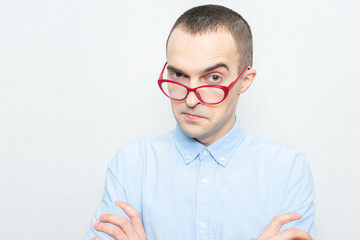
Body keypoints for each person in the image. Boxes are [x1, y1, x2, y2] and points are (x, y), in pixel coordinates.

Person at [85, 4, 315, 240]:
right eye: (179, 74)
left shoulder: (288, 169)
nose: (191, 98)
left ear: (244, 81)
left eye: (213, 78)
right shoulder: (130, 163)